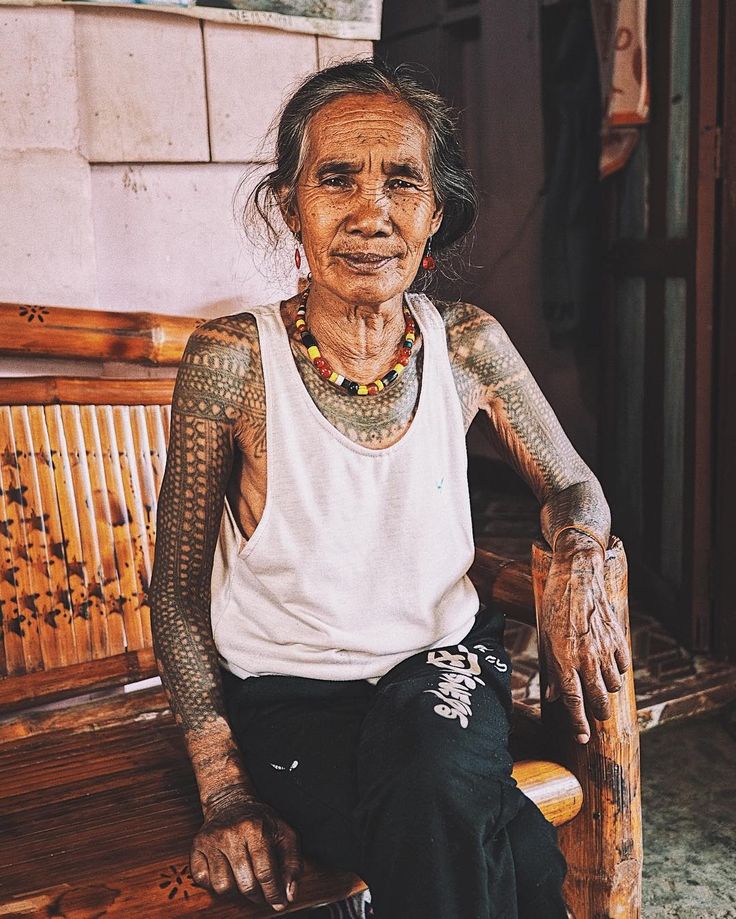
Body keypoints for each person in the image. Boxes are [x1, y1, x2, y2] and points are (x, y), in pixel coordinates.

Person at [149, 58, 631, 919]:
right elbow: (179, 594)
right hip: (289, 694)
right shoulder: (231, 362)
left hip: (441, 664)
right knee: (499, 834)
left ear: (434, 215)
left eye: (401, 182)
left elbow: (572, 485)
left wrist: (584, 560)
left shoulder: (472, 344)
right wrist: (224, 788)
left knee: (433, 771)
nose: (370, 212)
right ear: (290, 206)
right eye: (337, 179)